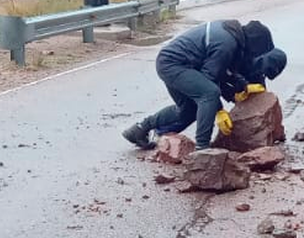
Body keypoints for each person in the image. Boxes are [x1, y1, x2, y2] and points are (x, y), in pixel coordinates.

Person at [122, 19, 287, 150]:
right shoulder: (227, 43)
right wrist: (220, 111)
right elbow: (209, 80)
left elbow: (220, 71)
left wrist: (236, 91)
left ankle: (138, 129)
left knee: (188, 111)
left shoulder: (233, 35)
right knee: (208, 94)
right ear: (253, 44)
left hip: (174, 64)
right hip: (174, 64)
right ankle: (202, 148)